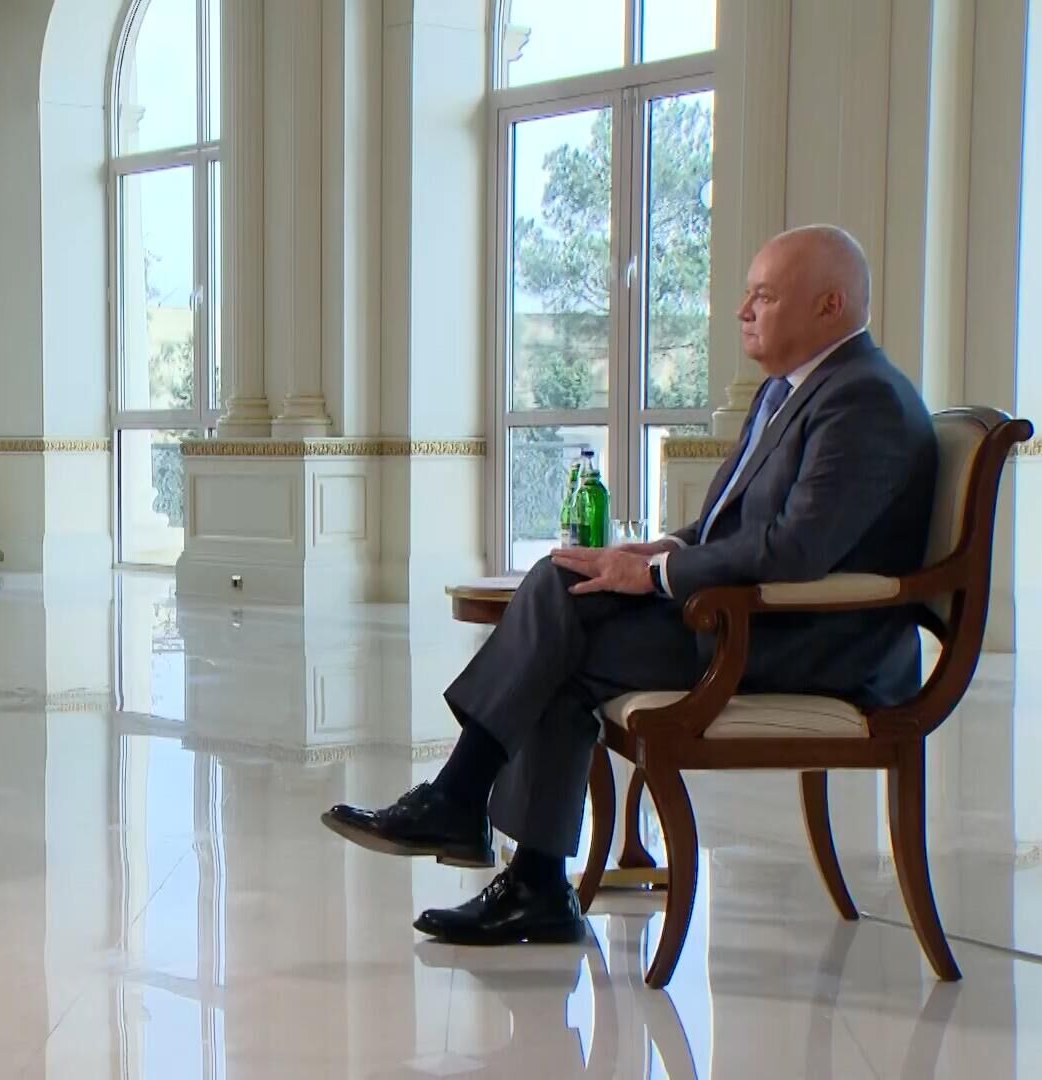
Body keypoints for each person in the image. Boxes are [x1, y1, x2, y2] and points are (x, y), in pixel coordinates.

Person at [323, 225, 937, 946]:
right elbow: (734, 522)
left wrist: (653, 574)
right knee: (563, 585)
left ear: (830, 305)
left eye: (764, 297)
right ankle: (509, 858)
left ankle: (486, 828)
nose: (742, 311)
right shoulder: (794, 389)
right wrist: (665, 547)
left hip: (815, 646)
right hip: (755, 620)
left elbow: (796, 550)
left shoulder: (864, 400)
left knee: (561, 643)